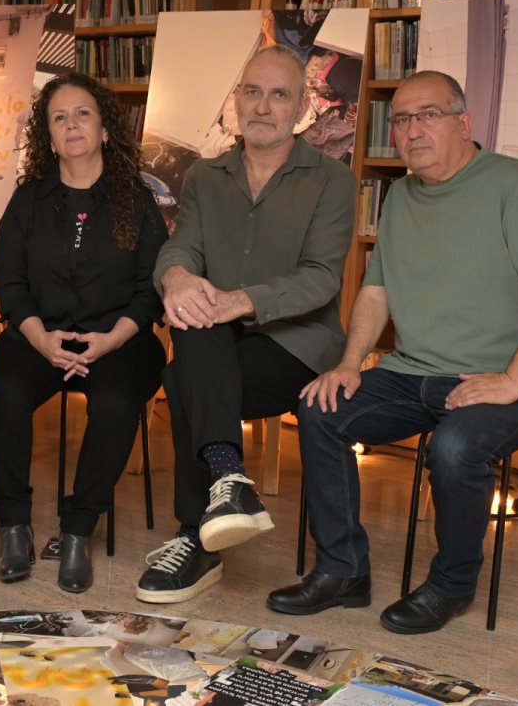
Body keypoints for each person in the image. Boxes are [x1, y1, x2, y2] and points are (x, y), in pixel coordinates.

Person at [273, 70, 518, 634]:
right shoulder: (399, 197)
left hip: (507, 384)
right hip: (412, 374)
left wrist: (513, 381)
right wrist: (349, 364)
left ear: (464, 123)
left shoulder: (515, 187)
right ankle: (343, 571)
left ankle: (451, 585)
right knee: (320, 410)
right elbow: (376, 290)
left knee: (455, 446)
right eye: (401, 119)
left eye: (428, 115)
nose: (413, 130)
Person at [134, 45, 356, 604]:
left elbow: (321, 278)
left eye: (279, 95)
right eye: (252, 92)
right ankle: (228, 485)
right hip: (220, 342)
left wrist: (240, 301)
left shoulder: (332, 180)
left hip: (296, 347)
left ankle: (197, 535)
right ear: (236, 100)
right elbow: (182, 246)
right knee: (193, 323)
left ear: (301, 107)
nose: (262, 106)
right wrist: (176, 277)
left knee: (184, 375)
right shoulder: (205, 176)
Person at [0, 72, 167, 593]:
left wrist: (111, 340)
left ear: (105, 128)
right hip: (38, 337)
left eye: (83, 113)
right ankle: (13, 526)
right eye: (59, 117)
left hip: (120, 341)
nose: (72, 125)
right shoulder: (28, 201)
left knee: (115, 404)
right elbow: (11, 284)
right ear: (48, 135)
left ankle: (78, 530)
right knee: (6, 394)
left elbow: (150, 289)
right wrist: (40, 338)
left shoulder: (137, 201)